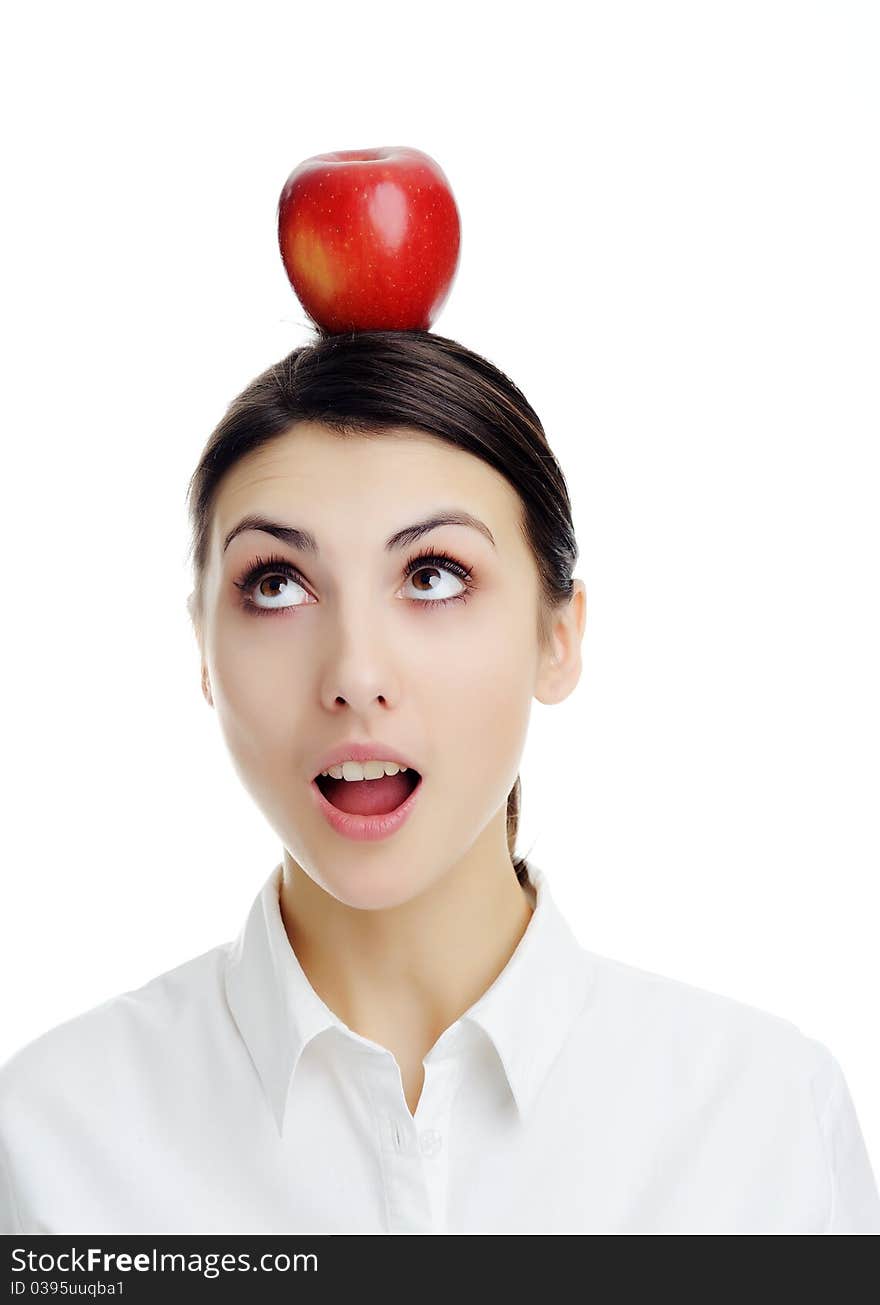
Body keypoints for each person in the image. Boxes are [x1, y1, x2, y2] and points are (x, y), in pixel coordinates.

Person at [1, 329, 878, 1235]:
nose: (354, 671)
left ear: (558, 635)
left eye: (431, 574)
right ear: (203, 653)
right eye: (274, 585)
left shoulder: (768, 1131)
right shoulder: (50, 1141)